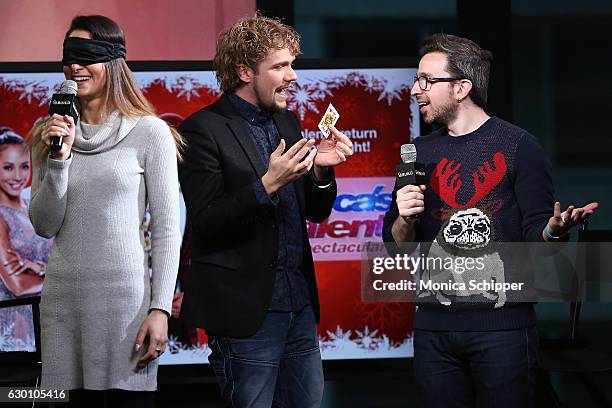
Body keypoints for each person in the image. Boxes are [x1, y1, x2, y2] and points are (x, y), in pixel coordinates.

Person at [382, 33, 597, 408]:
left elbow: (537, 241)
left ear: (462, 87)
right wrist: (403, 216)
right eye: (417, 80)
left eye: (426, 80)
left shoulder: (518, 146)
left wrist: (553, 230)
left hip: (503, 331)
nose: (416, 90)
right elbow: (397, 246)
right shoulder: (417, 152)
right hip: (434, 329)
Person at [178, 15, 353, 407]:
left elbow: (316, 212)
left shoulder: (288, 122)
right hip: (246, 315)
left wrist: (322, 171)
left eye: (292, 64)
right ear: (244, 71)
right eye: (280, 66)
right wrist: (268, 184)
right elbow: (206, 223)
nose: (292, 76)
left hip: (299, 308)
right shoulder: (201, 130)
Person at [28, 15, 181, 407]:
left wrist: (160, 309)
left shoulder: (150, 132)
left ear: (112, 61)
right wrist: (59, 158)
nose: (75, 66)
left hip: (125, 308)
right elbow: (45, 225)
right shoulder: (47, 135)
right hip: (62, 305)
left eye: (86, 56)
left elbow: (166, 230)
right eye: (69, 56)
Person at [0, 127, 51, 352]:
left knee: (58, 388)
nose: (18, 176)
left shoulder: (33, 207)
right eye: (8, 168)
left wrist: (39, 267)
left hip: (49, 321)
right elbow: (18, 285)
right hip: (15, 327)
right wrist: (62, 281)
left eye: (24, 167)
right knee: (21, 388)